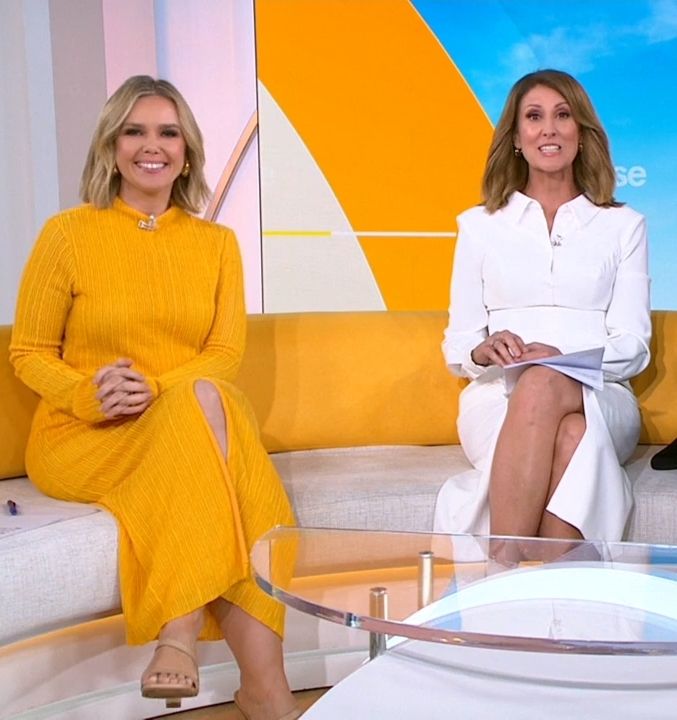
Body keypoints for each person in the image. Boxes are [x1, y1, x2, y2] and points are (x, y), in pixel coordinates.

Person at [10, 75, 301, 720]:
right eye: (134, 131)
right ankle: (262, 687)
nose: (152, 145)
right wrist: (87, 392)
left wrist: (159, 388)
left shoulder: (215, 245)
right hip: (84, 435)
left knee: (207, 403)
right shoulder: (67, 235)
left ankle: (191, 638)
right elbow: (27, 351)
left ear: (187, 152)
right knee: (223, 439)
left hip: (182, 420)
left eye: (168, 133)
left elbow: (223, 353)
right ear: (111, 147)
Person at [435, 69, 651, 544]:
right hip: (498, 396)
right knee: (570, 435)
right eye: (534, 117)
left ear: (582, 132)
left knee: (543, 383)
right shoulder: (478, 226)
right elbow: (459, 343)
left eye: (563, 115)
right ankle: (550, 585)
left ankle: (502, 568)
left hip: (600, 393)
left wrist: (561, 361)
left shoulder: (624, 226)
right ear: (516, 137)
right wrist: (483, 350)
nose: (548, 129)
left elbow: (634, 346)